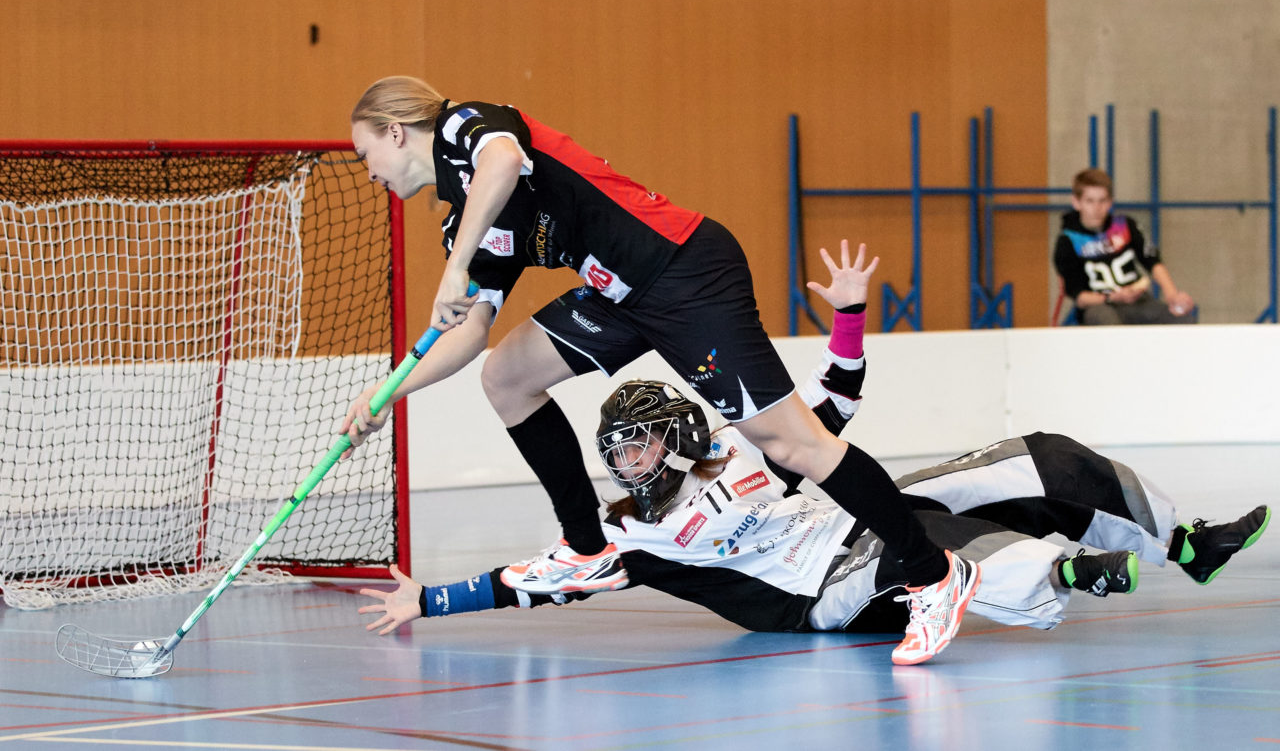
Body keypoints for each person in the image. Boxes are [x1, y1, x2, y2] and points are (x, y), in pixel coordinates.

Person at [343, 76, 976, 665]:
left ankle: (933, 575)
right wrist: (389, 391)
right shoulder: (464, 222)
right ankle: (586, 548)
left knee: (793, 443)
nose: (369, 171)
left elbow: (503, 162)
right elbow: (470, 332)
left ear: (395, 131)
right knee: (506, 376)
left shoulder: (466, 123)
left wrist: (455, 267)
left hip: (682, 270)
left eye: (365, 152)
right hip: (617, 295)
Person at [356, 264, 1270, 653]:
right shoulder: (638, 535)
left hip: (849, 525)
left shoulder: (744, 454)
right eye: (617, 444)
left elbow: (832, 409)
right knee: (930, 544)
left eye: (639, 437)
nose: (627, 457)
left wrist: (847, 313)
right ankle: (1070, 570)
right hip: (820, 600)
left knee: (1033, 458)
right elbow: (542, 576)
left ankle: (1181, 543)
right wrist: (432, 599)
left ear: (678, 433)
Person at [1054, 167, 1195, 325]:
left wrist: (1172, 296)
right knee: (1108, 322)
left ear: (1110, 202)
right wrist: (1113, 297)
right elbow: (1078, 297)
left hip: (1137, 303)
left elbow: (1152, 261)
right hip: (1100, 306)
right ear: (1076, 202)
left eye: (1102, 201)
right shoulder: (1068, 241)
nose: (1096, 208)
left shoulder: (1125, 226)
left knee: (1182, 318)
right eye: (1090, 201)